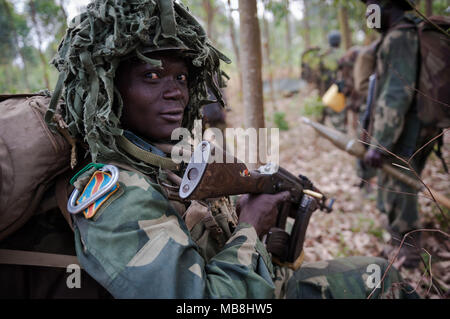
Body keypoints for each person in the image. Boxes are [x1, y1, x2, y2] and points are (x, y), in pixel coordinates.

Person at [1, 0, 417, 299]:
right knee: (378, 278)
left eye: (181, 78)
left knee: (378, 272)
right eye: (152, 75)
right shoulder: (113, 194)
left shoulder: (165, 156)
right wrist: (251, 228)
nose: (174, 93)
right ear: (110, 88)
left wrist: (249, 221)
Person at [360, 0, 440, 268]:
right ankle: (399, 244)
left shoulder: (400, 37)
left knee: (400, 188)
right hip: (405, 127)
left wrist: (379, 143)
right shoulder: (397, 36)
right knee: (395, 186)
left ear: (386, 6)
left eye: (371, 6)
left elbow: (397, 92)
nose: (367, 14)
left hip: (407, 130)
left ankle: (410, 255)